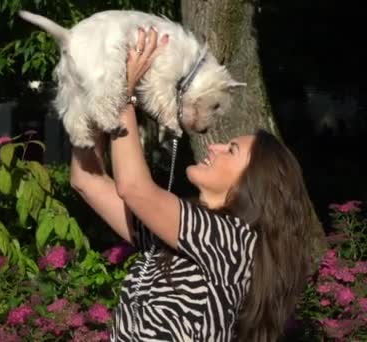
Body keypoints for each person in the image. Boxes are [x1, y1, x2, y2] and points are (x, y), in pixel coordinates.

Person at [69, 27, 314, 341]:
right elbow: (86, 181)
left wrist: (122, 95)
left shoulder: (235, 243)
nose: (214, 147)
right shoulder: (177, 236)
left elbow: (134, 188)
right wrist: (87, 92)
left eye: (232, 150)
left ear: (254, 183)